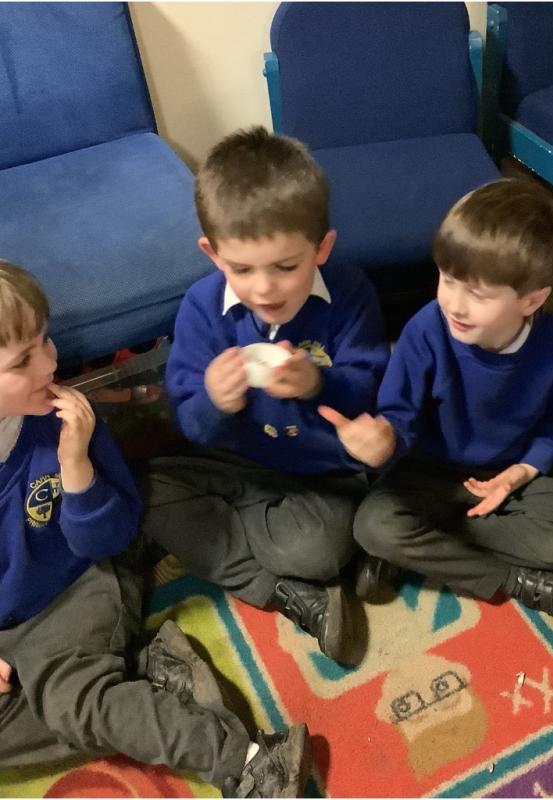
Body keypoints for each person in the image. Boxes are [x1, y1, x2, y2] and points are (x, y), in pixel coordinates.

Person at [0, 260, 311, 797]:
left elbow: (113, 534)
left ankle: (250, 760)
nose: (50, 361)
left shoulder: (65, 421)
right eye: (23, 360)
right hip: (10, 628)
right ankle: (146, 678)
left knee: (76, 705)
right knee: (64, 709)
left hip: (75, 588)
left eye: (45, 341)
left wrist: (76, 468)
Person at [140, 128, 389, 663]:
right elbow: (189, 423)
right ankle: (280, 586)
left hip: (321, 468)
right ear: (212, 254)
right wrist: (214, 401)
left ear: (321, 248)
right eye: (241, 269)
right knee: (145, 490)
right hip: (236, 461)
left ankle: (290, 558)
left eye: (286, 267)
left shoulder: (349, 293)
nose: (264, 288)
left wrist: (319, 383)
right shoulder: (202, 308)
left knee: (316, 549)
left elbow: (373, 388)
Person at [320, 178, 553, 633]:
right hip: (429, 467)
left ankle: (415, 553)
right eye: (448, 280)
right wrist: (384, 439)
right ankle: (517, 581)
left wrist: (523, 471)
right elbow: (399, 414)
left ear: (532, 299)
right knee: (373, 527)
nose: (454, 304)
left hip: (508, 472)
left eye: (479, 294)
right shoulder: (425, 330)